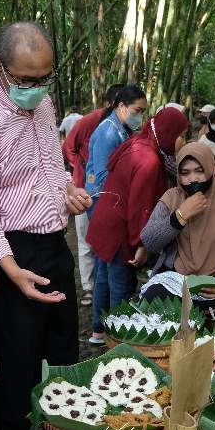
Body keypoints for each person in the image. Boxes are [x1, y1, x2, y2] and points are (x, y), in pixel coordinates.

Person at [0, 21, 91, 430]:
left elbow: (50, 168)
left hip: (54, 246)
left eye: (44, 78)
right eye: (26, 80)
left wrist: (68, 192)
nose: (36, 88)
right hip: (15, 251)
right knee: (20, 364)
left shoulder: (46, 105)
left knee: (64, 353)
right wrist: (8, 265)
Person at [85, 108, 189, 345]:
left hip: (105, 219)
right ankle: (119, 343)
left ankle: (99, 332)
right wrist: (140, 244)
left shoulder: (140, 143)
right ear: (169, 132)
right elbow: (140, 206)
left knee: (103, 277)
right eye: (182, 134)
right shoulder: (149, 159)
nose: (183, 140)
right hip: (120, 227)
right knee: (121, 284)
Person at [138, 142, 215, 315]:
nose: (192, 179)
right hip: (179, 280)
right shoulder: (172, 198)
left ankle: (197, 314)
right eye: (185, 173)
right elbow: (149, 241)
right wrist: (179, 216)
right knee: (153, 296)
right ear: (178, 175)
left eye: (199, 171)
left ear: (211, 168)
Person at [62, 83, 125, 306]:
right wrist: (81, 167)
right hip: (84, 189)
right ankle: (88, 287)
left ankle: (102, 288)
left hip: (109, 196)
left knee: (104, 243)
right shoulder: (90, 121)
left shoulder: (124, 127)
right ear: (110, 103)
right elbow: (68, 146)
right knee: (85, 239)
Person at [84, 85, 147, 201]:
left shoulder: (123, 130)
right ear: (122, 106)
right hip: (101, 199)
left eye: (142, 112)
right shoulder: (107, 134)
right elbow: (102, 178)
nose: (140, 116)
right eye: (137, 110)